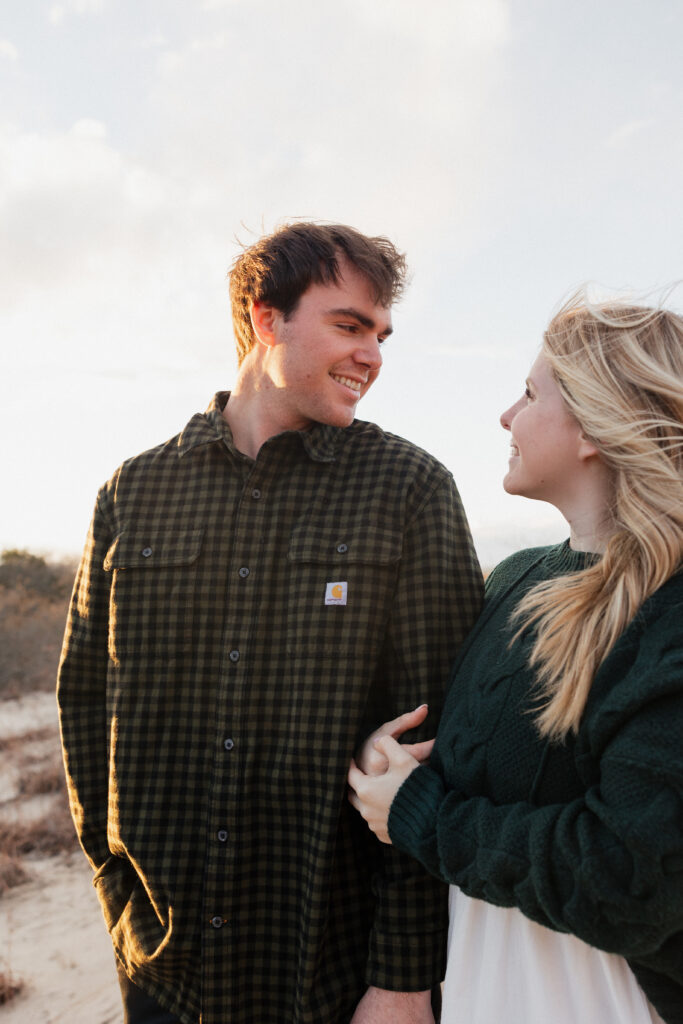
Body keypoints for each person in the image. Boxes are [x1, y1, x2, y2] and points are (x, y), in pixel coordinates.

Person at [57, 221, 483, 1024]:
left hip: (331, 966)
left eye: (381, 335)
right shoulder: (133, 491)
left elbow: (441, 741)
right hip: (160, 961)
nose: (373, 356)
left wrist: (401, 976)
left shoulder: (409, 490)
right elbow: (84, 702)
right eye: (349, 326)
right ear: (265, 317)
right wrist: (114, 882)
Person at [348, 294, 683, 1024]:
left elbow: (627, 882)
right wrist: (396, 761)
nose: (505, 416)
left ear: (594, 426)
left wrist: (418, 814)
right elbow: (477, 760)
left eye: (529, 394)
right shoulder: (512, 580)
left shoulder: (670, 615)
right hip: (478, 984)